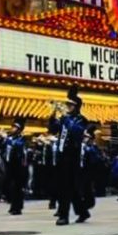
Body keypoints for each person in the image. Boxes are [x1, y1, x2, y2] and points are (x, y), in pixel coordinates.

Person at [48, 86, 90, 226]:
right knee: (69, 187)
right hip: (61, 154)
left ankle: (63, 215)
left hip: (72, 156)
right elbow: (53, 130)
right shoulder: (64, 118)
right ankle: (83, 211)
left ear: (76, 106)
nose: (67, 107)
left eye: (70, 105)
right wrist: (53, 115)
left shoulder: (81, 119)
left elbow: (76, 132)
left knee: (66, 187)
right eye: (67, 104)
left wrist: (65, 119)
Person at [3, 117, 28, 215]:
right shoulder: (10, 138)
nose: (12, 129)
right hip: (9, 166)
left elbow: (19, 147)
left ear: (18, 130)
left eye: (14, 128)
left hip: (19, 167)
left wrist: (8, 140)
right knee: (9, 187)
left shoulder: (22, 139)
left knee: (17, 188)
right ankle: (13, 205)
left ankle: (17, 207)